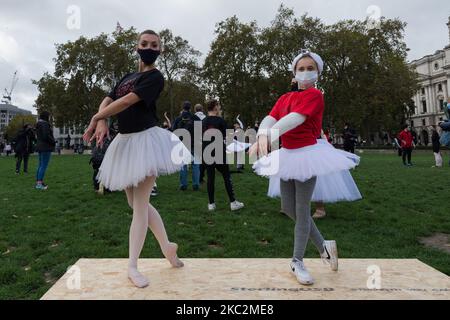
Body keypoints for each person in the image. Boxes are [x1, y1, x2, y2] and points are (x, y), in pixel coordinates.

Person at [83, 30, 190, 288]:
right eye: (144, 44)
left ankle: (132, 265)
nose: (149, 47)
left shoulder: (155, 77)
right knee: (134, 204)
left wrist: (98, 118)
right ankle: (167, 246)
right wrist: (102, 117)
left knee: (140, 206)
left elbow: (127, 102)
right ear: (136, 47)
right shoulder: (127, 76)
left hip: (146, 142)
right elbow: (110, 98)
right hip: (126, 142)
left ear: (160, 50)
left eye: (154, 45)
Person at [251, 50, 357, 285]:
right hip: (287, 155)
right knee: (289, 208)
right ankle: (324, 247)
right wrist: (261, 135)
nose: (306, 72)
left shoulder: (316, 95)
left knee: (301, 209)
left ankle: (297, 261)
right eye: (301, 68)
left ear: (318, 72)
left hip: (308, 155)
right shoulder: (284, 98)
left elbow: (296, 119)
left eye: (310, 68)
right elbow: (271, 117)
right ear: (294, 72)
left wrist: (270, 137)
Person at [202, 99, 244, 212]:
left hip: (206, 152)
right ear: (215, 107)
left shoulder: (203, 121)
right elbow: (228, 137)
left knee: (210, 178)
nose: (220, 108)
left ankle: (211, 204)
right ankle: (233, 202)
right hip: (219, 152)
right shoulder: (220, 121)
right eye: (219, 106)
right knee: (226, 176)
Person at [172, 101, 201, 191]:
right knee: (195, 165)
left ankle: (183, 185)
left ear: (183, 107)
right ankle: (196, 184)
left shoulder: (178, 119)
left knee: (183, 165)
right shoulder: (195, 118)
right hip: (194, 144)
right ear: (190, 108)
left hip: (182, 144)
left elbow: (174, 131)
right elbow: (200, 130)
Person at [35, 111, 56, 190]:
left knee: (40, 165)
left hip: (40, 146)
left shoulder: (39, 124)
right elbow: (46, 135)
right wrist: (53, 141)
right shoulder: (45, 124)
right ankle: (39, 184)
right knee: (43, 165)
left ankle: (38, 182)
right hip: (45, 147)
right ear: (46, 117)